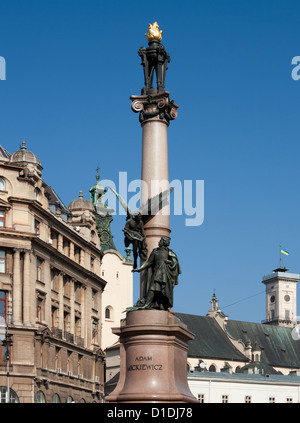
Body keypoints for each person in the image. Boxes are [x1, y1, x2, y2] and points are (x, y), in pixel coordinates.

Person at [131, 236, 181, 311]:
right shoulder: (155, 251)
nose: (159, 242)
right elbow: (148, 263)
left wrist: (169, 262)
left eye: (160, 241)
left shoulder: (169, 252)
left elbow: (175, 263)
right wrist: (139, 269)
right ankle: (147, 304)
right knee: (152, 288)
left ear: (164, 242)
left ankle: (162, 305)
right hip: (157, 272)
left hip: (165, 274)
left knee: (162, 290)